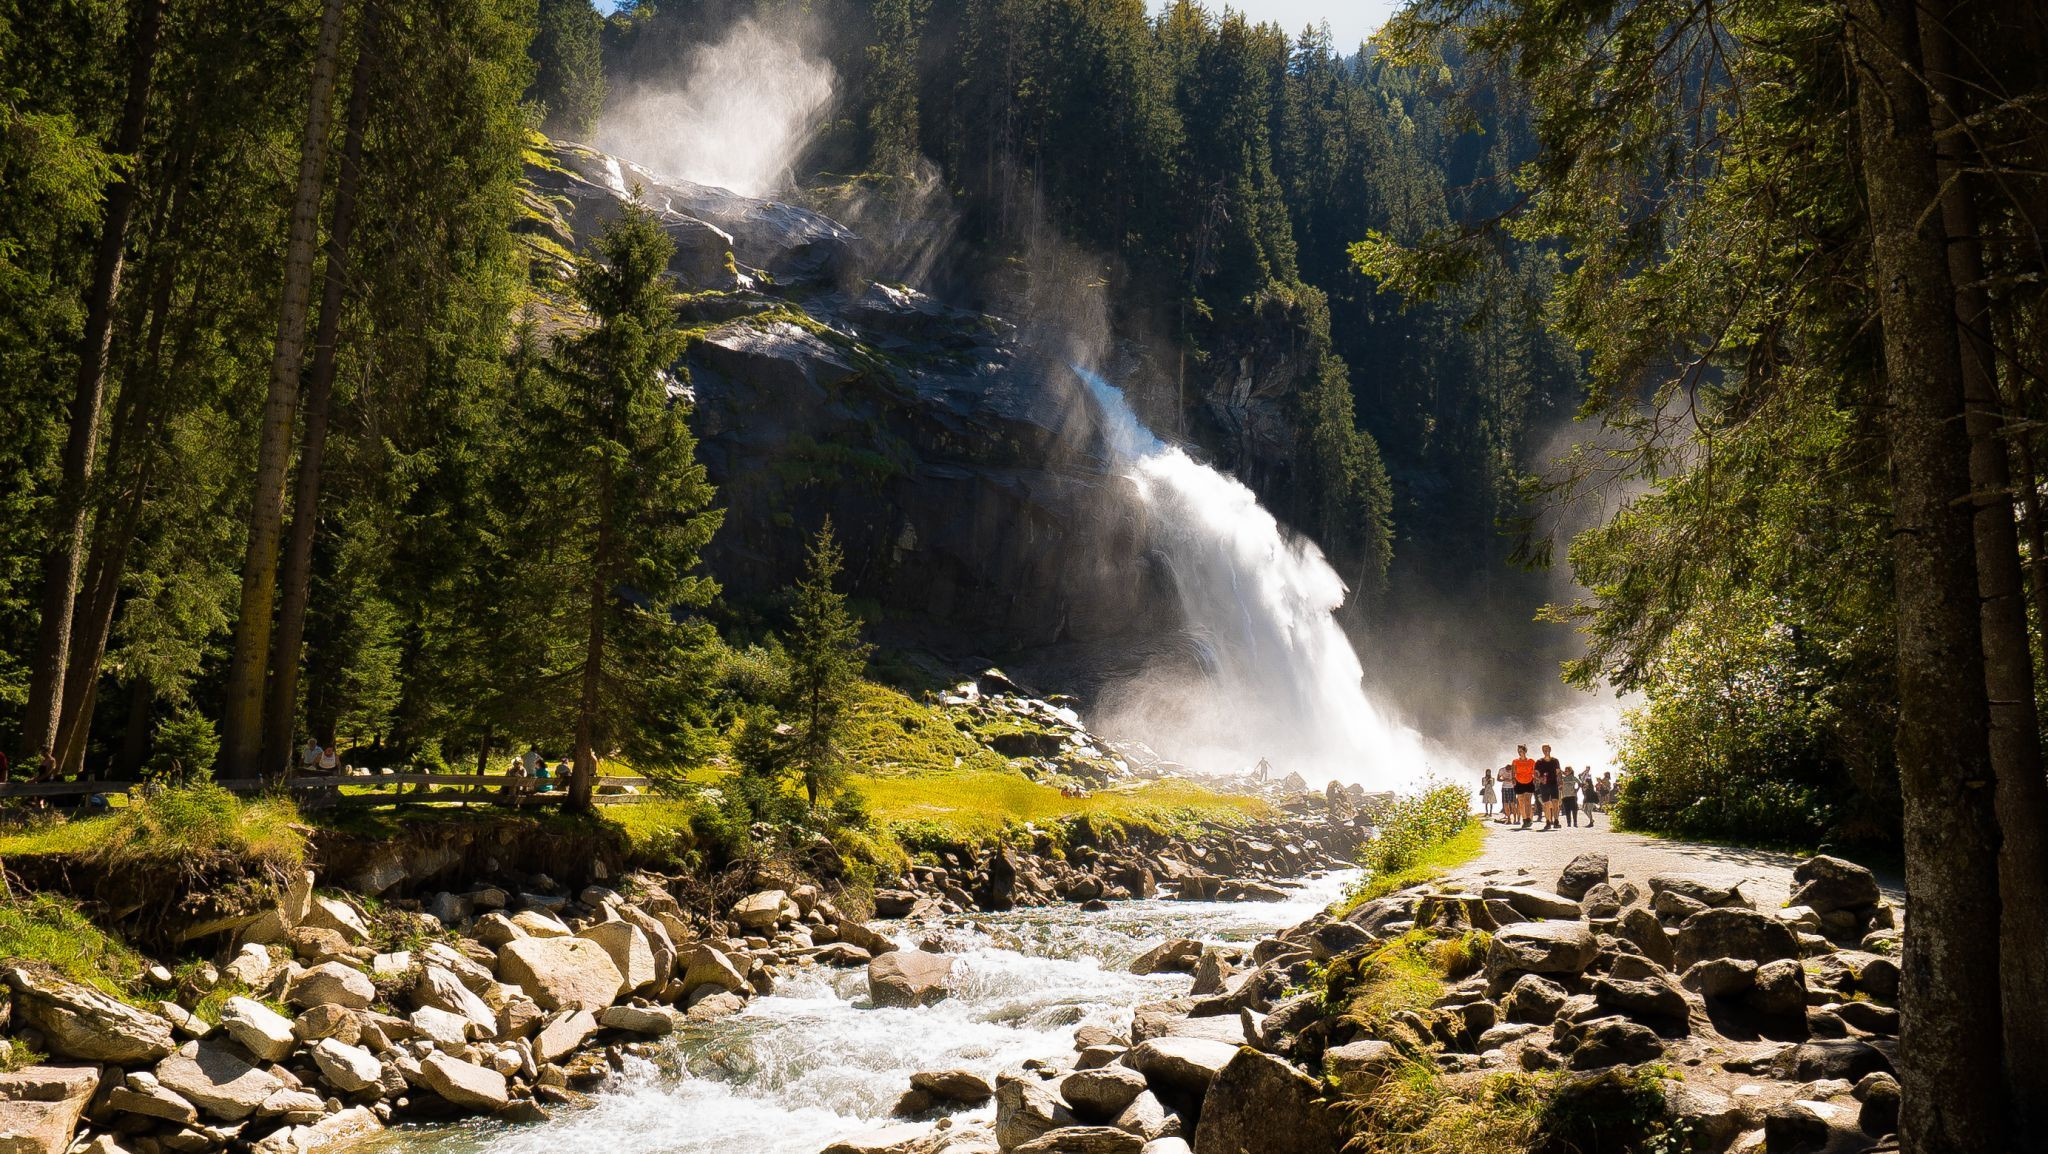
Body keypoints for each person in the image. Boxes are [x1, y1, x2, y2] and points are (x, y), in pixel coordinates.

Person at [1534, 744, 1562, 830]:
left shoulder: (1555, 761)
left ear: (1550, 749)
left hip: (1554, 783)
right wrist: (1540, 779)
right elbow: (1535, 774)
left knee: (1555, 802)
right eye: (1544, 749)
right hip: (1544, 785)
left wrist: (1560, 782)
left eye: (1547, 749)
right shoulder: (1539, 762)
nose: (1545, 751)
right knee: (1546, 803)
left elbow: (1558, 772)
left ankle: (1556, 821)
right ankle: (1548, 822)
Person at [1511, 745, 1536, 827]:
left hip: (1529, 781)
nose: (1519, 752)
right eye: (1518, 751)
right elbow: (1513, 771)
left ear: (1525, 751)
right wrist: (1513, 779)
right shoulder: (1515, 761)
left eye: (1521, 751)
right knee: (1521, 801)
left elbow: (1535, 771)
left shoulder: (1531, 761)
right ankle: (1524, 819)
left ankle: (1529, 818)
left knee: (1528, 800)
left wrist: (1537, 778)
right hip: (1519, 782)